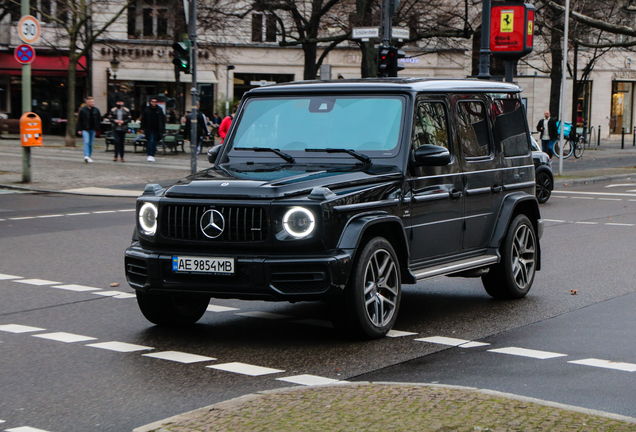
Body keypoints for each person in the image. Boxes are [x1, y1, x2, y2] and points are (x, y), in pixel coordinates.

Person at [140, 98, 165, 162]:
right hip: (149, 128)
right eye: (152, 102)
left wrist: (163, 128)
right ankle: (150, 154)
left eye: (155, 102)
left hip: (157, 128)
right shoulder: (147, 110)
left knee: (155, 142)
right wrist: (142, 127)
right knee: (150, 141)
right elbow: (143, 119)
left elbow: (162, 120)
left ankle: (153, 154)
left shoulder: (159, 109)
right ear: (150, 102)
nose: (154, 103)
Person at [77, 96, 102, 163]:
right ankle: (86, 156)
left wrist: (97, 126)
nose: (92, 103)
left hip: (92, 129)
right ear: (87, 102)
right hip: (85, 129)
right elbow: (80, 120)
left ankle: (89, 156)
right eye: (91, 102)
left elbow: (99, 118)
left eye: (93, 102)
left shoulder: (96, 110)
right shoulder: (83, 110)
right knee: (86, 142)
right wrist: (79, 129)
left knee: (91, 143)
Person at [107, 97, 131, 162]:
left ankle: (122, 156)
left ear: (123, 103)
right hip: (115, 128)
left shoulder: (126, 110)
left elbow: (129, 119)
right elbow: (110, 118)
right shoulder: (113, 110)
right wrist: (115, 121)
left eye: (120, 102)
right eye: (118, 102)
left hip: (123, 128)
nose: (119, 103)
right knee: (116, 142)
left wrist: (123, 121)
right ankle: (115, 156)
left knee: (122, 143)